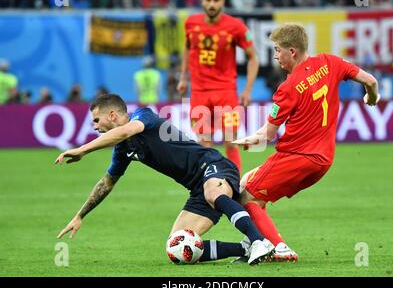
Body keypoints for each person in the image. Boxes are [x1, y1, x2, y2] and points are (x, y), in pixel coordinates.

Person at [55, 94, 274, 265]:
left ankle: (259, 241)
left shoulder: (144, 116)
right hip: (197, 188)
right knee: (177, 246)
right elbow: (106, 183)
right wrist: (79, 216)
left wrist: (82, 149)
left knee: (212, 192)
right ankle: (244, 248)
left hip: (213, 166)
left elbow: (124, 132)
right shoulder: (122, 150)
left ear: (112, 115)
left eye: (96, 120)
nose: (94, 126)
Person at [233, 24, 380, 262]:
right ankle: (258, 239)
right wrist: (371, 97)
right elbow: (370, 81)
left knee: (247, 196)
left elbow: (268, 135)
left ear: (292, 51)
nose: (275, 56)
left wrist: (250, 139)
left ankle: (278, 247)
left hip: (296, 157)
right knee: (248, 181)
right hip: (322, 162)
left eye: (277, 50)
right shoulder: (331, 62)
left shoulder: (288, 88)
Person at [177, 0, 259, 173]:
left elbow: (253, 57)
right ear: (203, 1)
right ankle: (208, 184)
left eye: (216, 0)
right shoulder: (191, 23)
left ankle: (235, 185)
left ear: (222, 2)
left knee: (230, 141)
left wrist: (247, 90)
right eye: (208, 0)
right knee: (204, 144)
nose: (212, 4)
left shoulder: (235, 26)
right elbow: (188, 48)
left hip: (226, 92)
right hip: (199, 92)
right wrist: (183, 77)